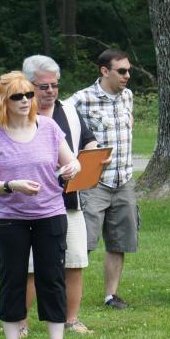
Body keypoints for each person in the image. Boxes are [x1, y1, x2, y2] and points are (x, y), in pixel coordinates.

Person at [0, 71, 81, 339]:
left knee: (52, 277)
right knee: (12, 277)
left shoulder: (47, 127)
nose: (25, 101)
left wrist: (73, 167)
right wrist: (11, 185)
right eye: (17, 96)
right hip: (11, 218)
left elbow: (71, 161)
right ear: (4, 101)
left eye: (28, 95)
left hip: (50, 213)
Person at [21, 55, 100, 335]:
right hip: (31, 204)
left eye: (54, 85)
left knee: (75, 261)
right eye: (44, 87)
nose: (51, 91)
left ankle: (72, 319)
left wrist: (89, 158)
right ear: (29, 85)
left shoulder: (68, 110)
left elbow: (88, 140)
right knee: (30, 267)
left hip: (69, 200)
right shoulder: (19, 113)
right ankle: (20, 323)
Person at [71, 49, 138, 310]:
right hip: (93, 182)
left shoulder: (127, 97)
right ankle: (66, 294)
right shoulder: (80, 100)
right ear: (104, 71)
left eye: (128, 70)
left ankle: (111, 296)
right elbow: (60, 128)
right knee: (82, 243)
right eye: (122, 71)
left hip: (124, 180)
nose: (127, 76)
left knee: (119, 241)